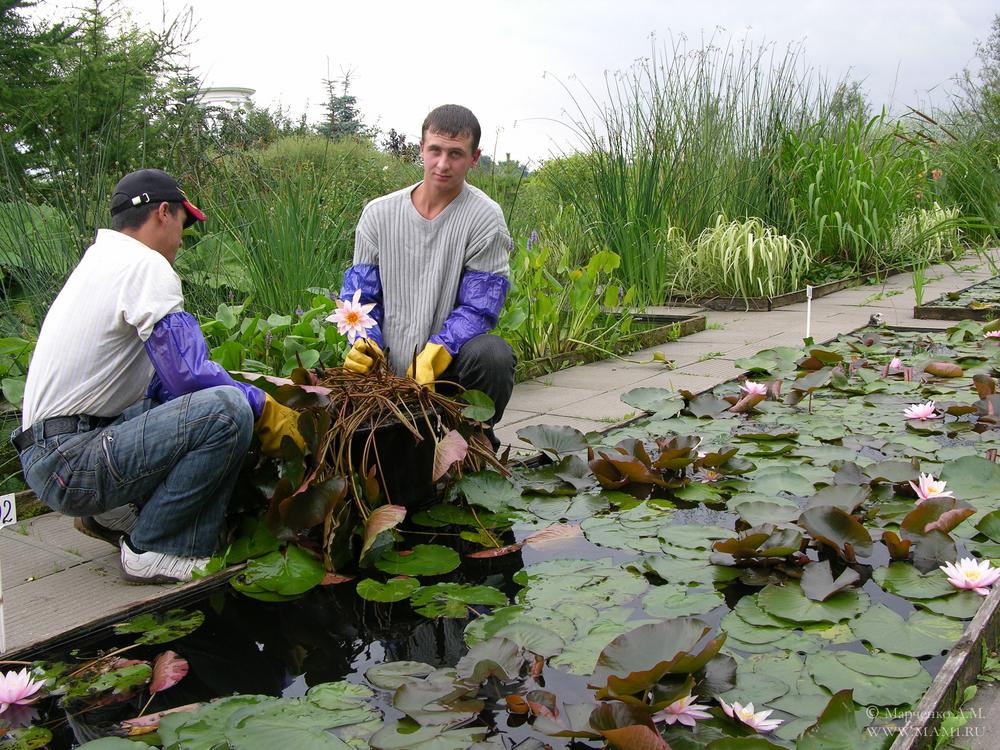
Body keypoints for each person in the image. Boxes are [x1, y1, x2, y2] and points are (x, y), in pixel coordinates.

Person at [12, 169, 302, 584]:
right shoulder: (145, 265)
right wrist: (262, 405)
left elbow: (165, 385)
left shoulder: (103, 262)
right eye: (184, 224)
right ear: (163, 212)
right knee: (226, 411)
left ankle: (112, 515)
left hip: (53, 454)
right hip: (73, 461)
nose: (182, 240)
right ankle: (157, 548)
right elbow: (188, 375)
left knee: (194, 402)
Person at [340, 104, 515, 449]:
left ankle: (473, 436)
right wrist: (365, 341)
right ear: (421, 148)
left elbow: (479, 308)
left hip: (446, 371)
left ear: (474, 157)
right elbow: (360, 298)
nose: (442, 164)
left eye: (456, 154)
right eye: (434, 150)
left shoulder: (485, 219)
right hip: (385, 370)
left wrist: (441, 347)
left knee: (493, 355)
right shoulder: (378, 215)